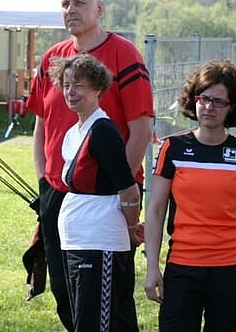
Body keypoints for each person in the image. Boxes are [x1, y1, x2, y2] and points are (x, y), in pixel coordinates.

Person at [27, 0, 153, 330]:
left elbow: (141, 128)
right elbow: (42, 125)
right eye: (65, 3)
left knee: (111, 303)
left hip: (106, 199)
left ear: (100, 9)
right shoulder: (52, 58)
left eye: (80, 3)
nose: (71, 10)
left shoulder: (124, 54)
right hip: (59, 195)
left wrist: (117, 188)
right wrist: (44, 182)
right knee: (67, 296)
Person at [144, 59, 236, 331]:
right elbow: (155, 211)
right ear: (194, 100)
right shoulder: (173, 148)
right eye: (204, 99)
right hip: (182, 267)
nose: (209, 107)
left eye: (218, 101)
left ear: (232, 107)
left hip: (232, 269)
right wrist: (152, 266)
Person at [50, 54, 142, 331]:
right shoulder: (74, 131)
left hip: (100, 243)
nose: (71, 92)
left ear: (98, 89)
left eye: (79, 85)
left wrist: (131, 228)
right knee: (81, 321)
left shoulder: (103, 131)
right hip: (76, 241)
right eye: (67, 85)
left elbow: (129, 190)